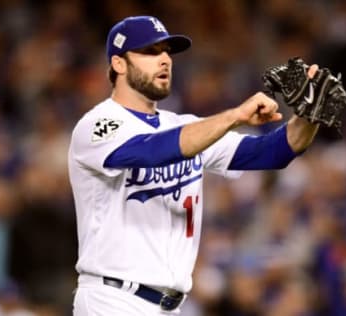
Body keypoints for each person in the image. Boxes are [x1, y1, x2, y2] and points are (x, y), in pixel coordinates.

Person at [68, 15, 320, 316]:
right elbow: (150, 151)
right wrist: (233, 117)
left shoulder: (186, 127)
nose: (164, 60)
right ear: (119, 64)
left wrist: (309, 111)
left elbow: (273, 152)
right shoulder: (98, 124)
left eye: (167, 52)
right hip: (112, 299)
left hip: (170, 306)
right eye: (150, 52)